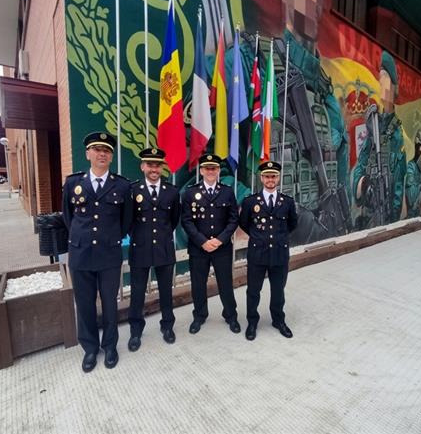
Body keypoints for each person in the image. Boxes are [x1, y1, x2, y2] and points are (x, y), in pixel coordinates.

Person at [62, 131, 132, 372]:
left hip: (109, 254)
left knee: (111, 304)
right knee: (84, 304)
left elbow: (126, 221)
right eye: (97, 149)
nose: (102, 153)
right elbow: (68, 218)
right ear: (88, 154)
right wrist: (84, 239)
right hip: (80, 254)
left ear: (111, 157)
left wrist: (109, 238)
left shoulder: (122, 185)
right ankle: (90, 349)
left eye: (107, 151)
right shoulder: (73, 183)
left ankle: (110, 346)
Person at [126, 148, 181, 352]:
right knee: (137, 293)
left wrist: (160, 237)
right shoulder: (132, 190)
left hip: (164, 248)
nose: (154, 168)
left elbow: (173, 220)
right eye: (150, 164)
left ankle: (167, 326)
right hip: (139, 248)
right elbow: (128, 221)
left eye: (157, 165)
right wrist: (141, 237)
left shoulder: (172, 191)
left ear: (162, 168)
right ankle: (135, 331)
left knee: (166, 291)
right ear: (143, 167)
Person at [181, 154, 240, 335]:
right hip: (199, 248)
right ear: (201, 171)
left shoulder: (227, 191)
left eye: (214, 168)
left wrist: (220, 239)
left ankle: (230, 315)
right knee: (198, 284)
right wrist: (203, 241)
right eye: (207, 168)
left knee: (225, 283)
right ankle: (199, 315)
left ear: (218, 171)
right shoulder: (190, 192)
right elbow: (187, 221)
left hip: (222, 248)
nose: (210, 171)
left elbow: (233, 219)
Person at [238, 161, 298, 341]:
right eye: (267, 176)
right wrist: (259, 237)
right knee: (253, 291)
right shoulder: (250, 202)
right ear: (261, 178)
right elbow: (244, 223)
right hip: (257, 254)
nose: (270, 179)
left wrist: (277, 237)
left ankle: (278, 320)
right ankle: (252, 322)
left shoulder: (287, 202)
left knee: (278, 290)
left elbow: (292, 224)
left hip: (279, 254)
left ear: (278, 178)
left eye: (274, 176)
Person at [352, 51, 407, 228]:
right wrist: (360, 183)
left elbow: (399, 181)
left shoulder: (397, 134)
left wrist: (394, 217)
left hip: (385, 213)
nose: (380, 82)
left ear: (393, 84)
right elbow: (361, 162)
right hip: (368, 207)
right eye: (380, 77)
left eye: (384, 77)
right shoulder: (373, 123)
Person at [405, 130, 421, 218]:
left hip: (419, 207)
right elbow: (410, 190)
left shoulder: (420, 164)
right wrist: (419, 185)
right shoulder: (411, 165)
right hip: (412, 208)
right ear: (416, 147)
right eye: (419, 147)